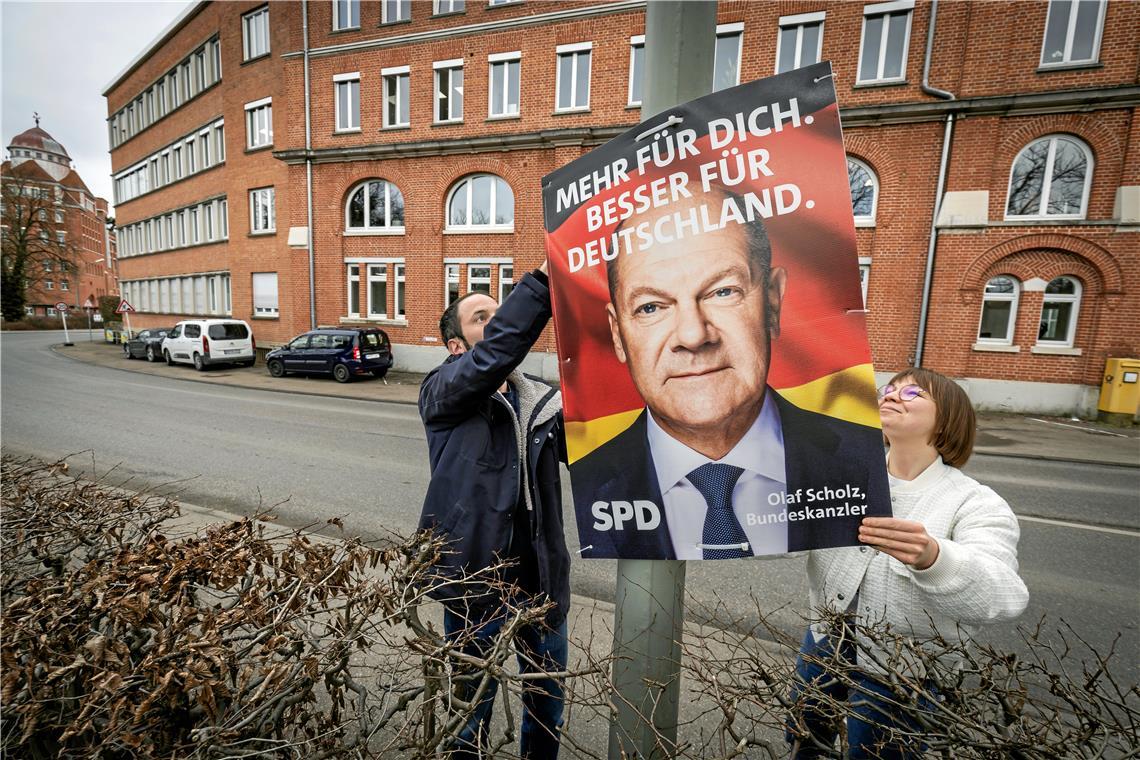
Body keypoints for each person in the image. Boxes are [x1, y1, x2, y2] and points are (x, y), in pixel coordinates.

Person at [571, 188, 890, 560]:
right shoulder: (590, 481)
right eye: (651, 306)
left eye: (723, 292)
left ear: (772, 302)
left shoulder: (866, 463)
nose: (693, 336)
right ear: (617, 334)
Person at [787, 367, 1030, 759]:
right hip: (824, 641)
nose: (891, 395)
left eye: (913, 392)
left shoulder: (976, 503)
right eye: (889, 388)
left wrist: (934, 558)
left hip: (905, 669)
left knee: (879, 755)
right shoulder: (839, 480)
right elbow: (781, 541)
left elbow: (1003, 595)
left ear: (947, 417)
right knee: (805, 744)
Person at [417, 260, 571, 759]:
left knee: (546, 711)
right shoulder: (443, 394)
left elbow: (598, 453)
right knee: (469, 717)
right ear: (456, 347)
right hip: (472, 581)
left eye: (499, 313)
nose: (498, 321)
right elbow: (496, 354)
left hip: (540, 582)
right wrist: (544, 284)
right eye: (482, 317)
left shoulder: (542, 403)